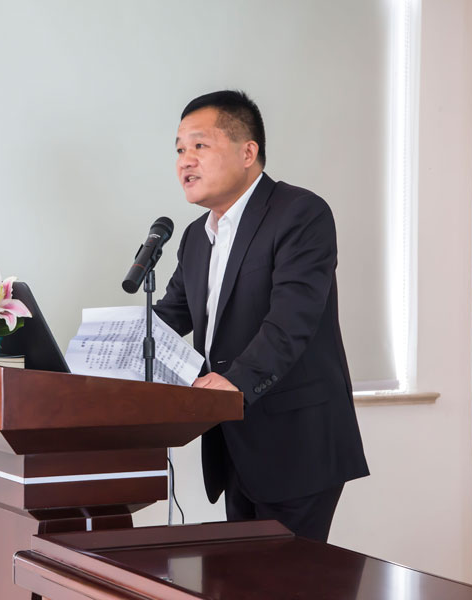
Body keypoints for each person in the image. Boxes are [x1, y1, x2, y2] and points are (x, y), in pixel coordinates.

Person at [153, 90, 369, 542]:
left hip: (298, 442)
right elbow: (169, 317)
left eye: (199, 145)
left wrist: (234, 383)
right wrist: (89, 355)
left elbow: (293, 319)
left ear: (247, 152)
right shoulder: (195, 238)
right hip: (234, 442)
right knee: (244, 575)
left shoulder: (300, 214)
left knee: (289, 577)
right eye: (179, 149)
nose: (185, 161)